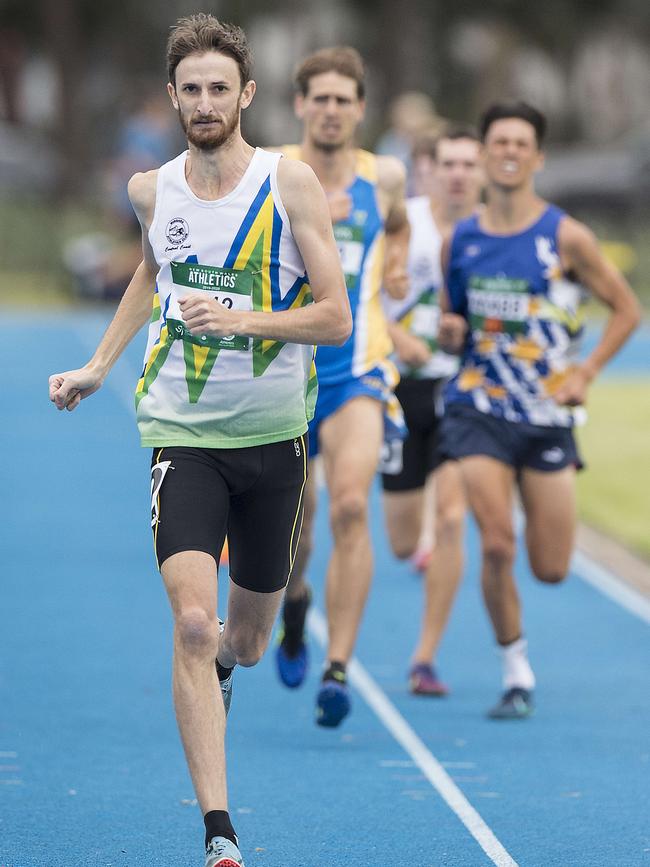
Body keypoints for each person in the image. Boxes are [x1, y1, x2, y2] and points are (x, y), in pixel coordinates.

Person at [49, 15, 351, 867]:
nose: (206, 102)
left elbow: (335, 316)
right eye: (192, 89)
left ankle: (232, 657)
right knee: (190, 621)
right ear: (173, 97)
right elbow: (153, 269)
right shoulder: (153, 189)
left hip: (275, 437)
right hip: (181, 430)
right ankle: (219, 831)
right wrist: (101, 363)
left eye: (221, 88)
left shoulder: (289, 186)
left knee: (242, 640)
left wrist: (245, 317)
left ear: (246, 94)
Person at [438, 101, 641, 720]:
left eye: (520, 143)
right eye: (498, 140)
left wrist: (585, 372)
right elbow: (454, 319)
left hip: (547, 414)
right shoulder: (461, 239)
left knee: (550, 568)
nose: (508, 151)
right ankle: (516, 669)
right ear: (484, 152)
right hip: (478, 408)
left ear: (536, 157)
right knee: (496, 543)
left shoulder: (565, 236)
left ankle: (521, 647)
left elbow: (628, 309)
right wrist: (450, 332)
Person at [272, 47, 410, 727]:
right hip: (284, 371)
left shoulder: (384, 177)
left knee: (352, 506)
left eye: (342, 100)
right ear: (300, 105)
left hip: (357, 371)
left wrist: (397, 272)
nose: (330, 111)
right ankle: (295, 604)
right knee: (295, 533)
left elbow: (401, 228)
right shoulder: (271, 170)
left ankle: (338, 666)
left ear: (361, 109)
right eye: (318, 98)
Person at [380, 127, 483, 696]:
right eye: (449, 163)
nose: (459, 174)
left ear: (483, 170)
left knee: (448, 521)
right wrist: (398, 337)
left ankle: (424, 658)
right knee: (401, 540)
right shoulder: (405, 223)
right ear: (431, 167)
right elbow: (362, 292)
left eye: (470, 164)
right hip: (403, 389)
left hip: (464, 395)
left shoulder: (493, 234)